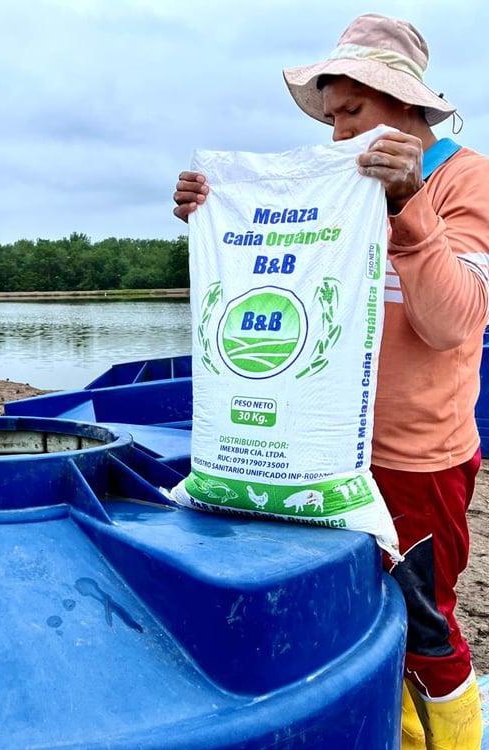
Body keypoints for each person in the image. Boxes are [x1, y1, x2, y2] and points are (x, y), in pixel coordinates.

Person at [173, 13, 489, 750]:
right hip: (318, 447)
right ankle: (397, 734)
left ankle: (454, 741)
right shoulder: (338, 181)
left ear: (404, 103)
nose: (338, 133)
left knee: (424, 622)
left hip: (415, 455)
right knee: (353, 611)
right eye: (332, 116)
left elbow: (455, 323)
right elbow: (280, 273)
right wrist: (211, 215)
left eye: (352, 112)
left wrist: (410, 207)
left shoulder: (468, 180)